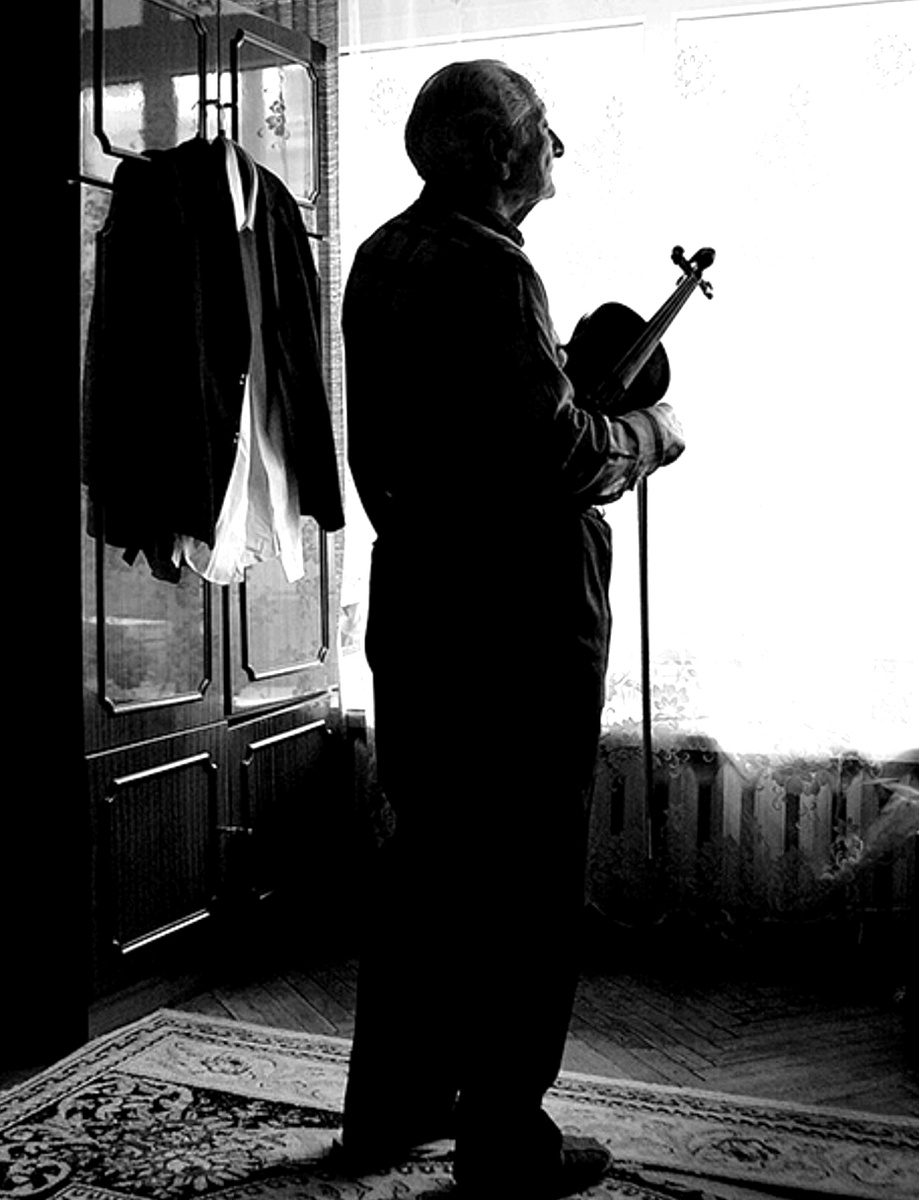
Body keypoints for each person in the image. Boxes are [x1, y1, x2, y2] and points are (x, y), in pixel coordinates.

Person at [339, 59, 685, 1199]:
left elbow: (420, 444)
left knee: (429, 860)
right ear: (497, 153)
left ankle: (392, 1105)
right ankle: (503, 1140)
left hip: (419, 602)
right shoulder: (493, 268)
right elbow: (559, 458)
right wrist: (648, 431)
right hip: (518, 622)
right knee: (526, 877)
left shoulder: (380, 255)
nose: (556, 147)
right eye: (542, 128)